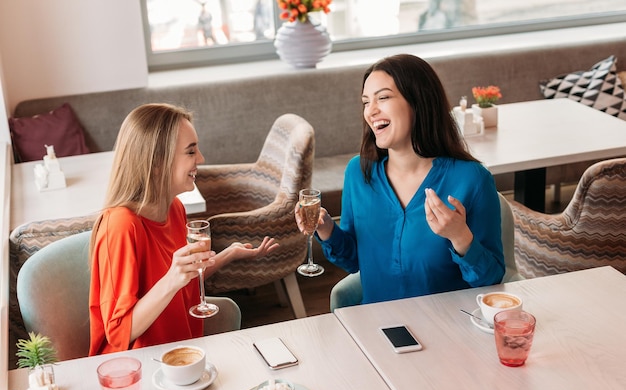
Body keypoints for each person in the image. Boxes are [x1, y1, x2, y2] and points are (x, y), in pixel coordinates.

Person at [295, 54, 504, 305]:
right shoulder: (358, 173)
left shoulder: (472, 180)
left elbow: (492, 281)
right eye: (365, 102)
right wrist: (326, 228)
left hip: (448, 330)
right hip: (379, 327)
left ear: (419, 102)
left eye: (383, 98)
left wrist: (460, 237)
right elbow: (354, 261)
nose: (371, 111)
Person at [89, 103, 278, 355]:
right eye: (191, 152)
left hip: (181, 356)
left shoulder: (175, 208)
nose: (201, 159)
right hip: (138, 368)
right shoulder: (121, 226)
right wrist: (171, 279)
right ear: (157, 161)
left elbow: (184, 281)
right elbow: (118, 332)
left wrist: (228, 254)